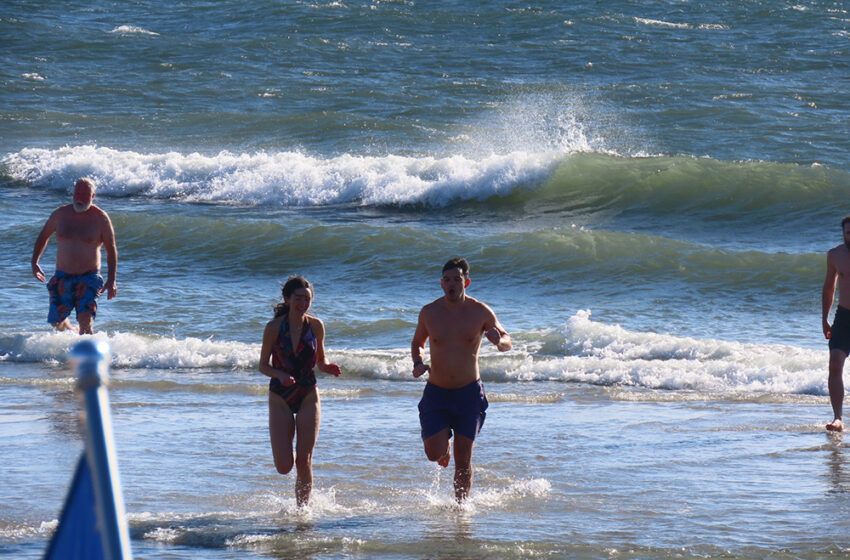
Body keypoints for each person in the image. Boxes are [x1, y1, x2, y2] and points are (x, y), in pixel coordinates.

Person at [411, 257, 511, 502]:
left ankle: (460, 510)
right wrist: (418, 362)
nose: (451, 283)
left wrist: (499, 340)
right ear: (441, 284)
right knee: (434, 453)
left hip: (469, 394)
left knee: (464, 458)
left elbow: (507, 341)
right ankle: (442, 447)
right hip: (437, 391)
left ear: (466, 282)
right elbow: (418, 343)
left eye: (457, 279)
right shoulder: (429, 312)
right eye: (447, 280)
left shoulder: (480, 311)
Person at [259, 276, 341, 506]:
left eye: (307, 299)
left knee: (304, 460)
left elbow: (320, 361)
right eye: (298, 298)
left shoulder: (315, 326)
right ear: (287, 298)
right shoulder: (274, 328)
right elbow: (262, 365)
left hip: (308, 393)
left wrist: (327, 367)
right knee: (284, 467)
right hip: (280, 396)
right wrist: (281, 375)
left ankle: (302, 513)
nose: (303, 303)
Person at [31, 178, 118, 335]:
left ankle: (88, 356)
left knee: (86, 322)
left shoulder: (101, 218)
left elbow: (111, 251)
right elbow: (43, 236)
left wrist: (111, 280)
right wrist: (35, 262)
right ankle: (72, 331)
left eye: (85, 194)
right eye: (78, 193)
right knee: (56, 322)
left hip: (89, 278)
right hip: (62, 277)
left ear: (93, 196)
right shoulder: (60, 214)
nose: (80, 197)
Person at [823, 215, 850, 432]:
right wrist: (825, 318)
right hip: (844, 317)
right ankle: (838, 418)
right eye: (848, 232)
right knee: (834, 363)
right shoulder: (835, 255)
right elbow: (829, 288)